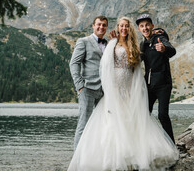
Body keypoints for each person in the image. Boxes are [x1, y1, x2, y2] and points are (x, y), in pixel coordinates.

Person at [67, 17, 179, 171]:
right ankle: (90, 157)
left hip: (129, 88)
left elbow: (137, 70)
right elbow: (105, 68)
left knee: (132, 120)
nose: (124, 28)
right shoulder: (111, 43)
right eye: (121, 26)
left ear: (130, 28)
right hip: (112, 88)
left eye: (126, 26)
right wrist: (107, 89)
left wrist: (137, 89)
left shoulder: (135, 45)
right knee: (107, 122)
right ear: (118, 28)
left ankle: (134, 155)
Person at [69, 15, 108, 150]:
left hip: (104, 92)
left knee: (102, 124)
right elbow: (74, 63)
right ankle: (77, 159)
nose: (101, 27)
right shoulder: (83, 41)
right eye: (98, 24)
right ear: (93, 25)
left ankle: (94, 155)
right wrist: (79, 85)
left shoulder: (108, 44)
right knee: (83, 124)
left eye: (104, 25)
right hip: (87, 89)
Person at [136, 14, 176, 143]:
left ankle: (171, 144)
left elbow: (172, 51)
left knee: (162, 115)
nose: (145, 28)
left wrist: (164, 49)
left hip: (163, 84)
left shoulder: (160, 38)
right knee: (144, 114)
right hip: (148, 85)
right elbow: (136, 61)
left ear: (152, 26)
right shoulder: (143, 44)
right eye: (142, 26)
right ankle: (147, 144)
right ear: (139, 29)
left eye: (147, 25)